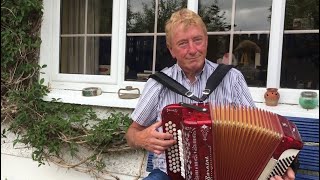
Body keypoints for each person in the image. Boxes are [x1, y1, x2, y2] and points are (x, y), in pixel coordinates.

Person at [125, 8, 296, 180]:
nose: (192, 50)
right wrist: (140, 138)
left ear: (206, 41)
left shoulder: (232, 78)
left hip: (227, 174)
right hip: (169, 174)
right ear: (171, 49)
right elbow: (132, 133)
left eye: (197, 40)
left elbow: (259, 135)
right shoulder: (158, 84)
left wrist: (279, 168)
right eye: (183, 43)